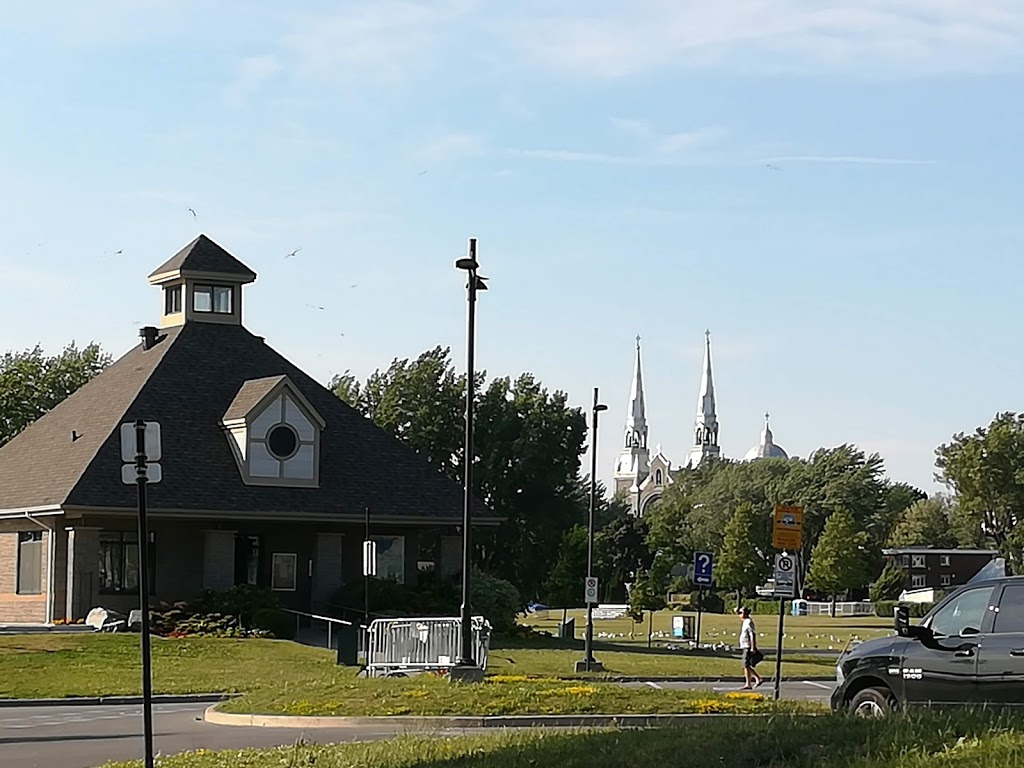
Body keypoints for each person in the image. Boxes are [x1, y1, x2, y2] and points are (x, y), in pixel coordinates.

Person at [738, 607, 763, 689]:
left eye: (740, 613)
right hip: (745, 645)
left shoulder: (748, 622)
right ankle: (755, 680)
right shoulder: (745, 621)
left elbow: (752, 634)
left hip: (748, 646)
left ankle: (753, 681)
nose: (739, 615)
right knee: (746, 665)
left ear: (744, 614)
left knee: (746, 665)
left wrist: (753, 647)